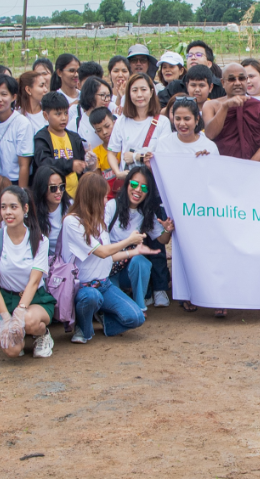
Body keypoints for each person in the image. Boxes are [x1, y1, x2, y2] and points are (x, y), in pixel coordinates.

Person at [62, 173, 149, 344]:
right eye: (103, 196)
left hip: (104, 284)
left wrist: (134, 251)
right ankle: (83, 327)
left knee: (136, 317)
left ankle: (103, 319)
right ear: (92, 197)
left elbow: (109, 256)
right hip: (82, 288)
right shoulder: (72, 222)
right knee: (91, 297)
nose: (105, 201)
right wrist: (129, 241)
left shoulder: (100, 222)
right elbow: (101, 252)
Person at [0, 185, 56, 359]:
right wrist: (6, 318)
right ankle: (18, 335)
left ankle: (42, 334)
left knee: (28, 321)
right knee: (13, 350)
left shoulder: (39, 239)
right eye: (3, 207)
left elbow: (34, 281)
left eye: (13, 207)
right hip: (5, 299)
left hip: (34, 299)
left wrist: (20, 311)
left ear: (25, 209)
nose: (7, 212)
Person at [104, 165, 174, 312]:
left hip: (130, 268)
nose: (138, 190)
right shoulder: (112, 206)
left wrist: (167, 229)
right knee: (113, 306)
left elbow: (162, 240)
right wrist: (129, 242)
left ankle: (139, 305)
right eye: (134, 184)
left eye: (144, 188)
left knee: (141, 261)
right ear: (127, 183)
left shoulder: (146, 212)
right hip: (108, 268)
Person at [203, 63, 260, 162]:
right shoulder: (211, 105)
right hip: (222, 165)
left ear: (247, 80)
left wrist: (245, 169)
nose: (237, 83)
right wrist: (225, 107)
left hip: (254, 168)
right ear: (222, 82)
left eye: (241, 78)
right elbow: (211, 134)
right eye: (231, 79)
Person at [108, 74, 170, 171]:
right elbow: (112, 153)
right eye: (134, 90)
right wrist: (118, 173)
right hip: (129, 180)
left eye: (143, 89)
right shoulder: (122, 121)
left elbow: (163, 155)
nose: (139, 94)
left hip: (153, 179)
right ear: (128, 93)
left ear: (151, 92)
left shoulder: (163, 122)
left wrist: (135, 156)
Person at [31, 91, 88, 197]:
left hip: (75, 194)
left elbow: (81, 164)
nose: (63, 118)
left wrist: (88, 162)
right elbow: (44, 162)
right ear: (45, 115)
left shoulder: (74, 137)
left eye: (66, 113)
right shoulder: (42, 138)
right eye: (58, 114)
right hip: (52, 195)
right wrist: (70, 165)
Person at [0, 74, 33, 186]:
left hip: (14, 181)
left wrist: (21, 192)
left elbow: (24, 165)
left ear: (13, 97)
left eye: (4, 94)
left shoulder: (22, 124)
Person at [149, 98, 217, 157]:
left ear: (197, 119)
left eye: (186, 119)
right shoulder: (163, 143)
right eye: (178, 119)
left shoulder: (209, 146)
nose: (182, 123)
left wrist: (206, 161)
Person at [74, 77, 112, 149]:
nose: (107, 100)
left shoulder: (115, 118)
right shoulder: (77, 123)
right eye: (102, 95)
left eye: (108, 96)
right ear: (90, 96)